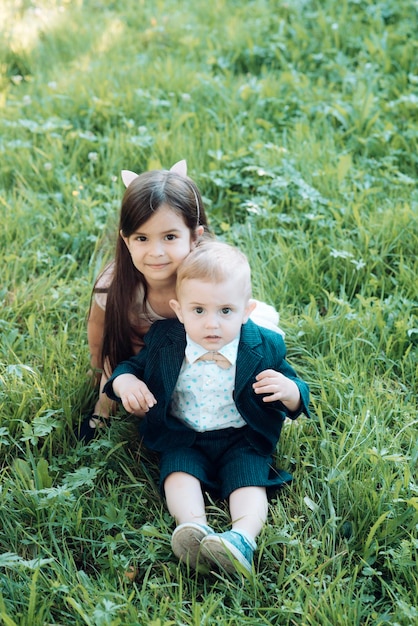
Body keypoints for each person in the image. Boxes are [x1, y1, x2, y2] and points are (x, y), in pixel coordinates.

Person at [103, 241, 310, 575]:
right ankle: (193, 529)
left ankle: (242, 538)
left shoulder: (263, 345)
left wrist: (290, 392)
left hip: (242, 436)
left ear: (246, 310)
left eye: (225, 311)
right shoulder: (165, 339)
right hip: (183, 434)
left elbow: (296, 385)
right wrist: (126, 384)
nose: (212, 324)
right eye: (198, 310)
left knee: (249, 481)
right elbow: (131, 367)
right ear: (180, 309)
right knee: (178, 474)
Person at [78, 161, 283, 442]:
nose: (156, 252)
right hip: (150, 354)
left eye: (170, 237)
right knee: (118, 370)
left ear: (195, 237)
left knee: (254, 351)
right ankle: (101, 415)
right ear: (126, 240)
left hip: (210, 345)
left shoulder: (206, 279)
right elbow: (102, 340)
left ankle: (269, 398)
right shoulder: (114, 287)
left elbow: (231, 321)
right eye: (142, 238)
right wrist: (97, 376)